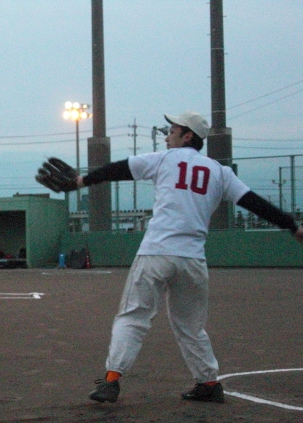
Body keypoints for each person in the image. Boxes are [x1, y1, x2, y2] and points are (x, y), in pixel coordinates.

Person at [36, 110, 303, 404]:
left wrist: (81, 180)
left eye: (172, 130)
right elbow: (255, 203)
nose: (167, 135)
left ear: (188, 136)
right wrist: (293, 226)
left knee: (134, 316)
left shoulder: (165, 159)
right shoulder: (220, 172)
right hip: (193, 260)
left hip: (157, 252)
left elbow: (119, 169)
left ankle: (112, 380)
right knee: (191, 326)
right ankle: (208, 382)